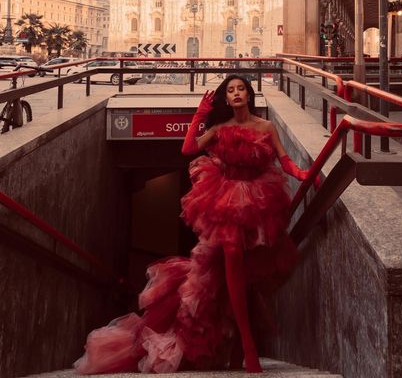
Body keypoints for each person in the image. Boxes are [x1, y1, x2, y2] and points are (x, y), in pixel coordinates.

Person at [74, 75, 309, 375]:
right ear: (226, 99)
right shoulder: (219, 129)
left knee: (247, 277)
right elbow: (188, 149)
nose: (236, 94)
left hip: (259, 204)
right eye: (230, 91)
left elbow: (284, 160)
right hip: (226, 201)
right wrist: (199, 114)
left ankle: (239, 346)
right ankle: (249, 348)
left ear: (249, 95)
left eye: (241, 90)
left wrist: (302, 173)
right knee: (233, 257)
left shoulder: (266, 127)